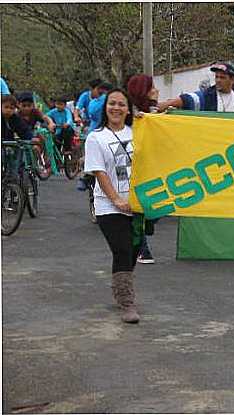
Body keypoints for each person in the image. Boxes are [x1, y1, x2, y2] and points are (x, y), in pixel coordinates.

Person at [84, 88, 140, 324]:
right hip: (109, 206)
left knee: (133, 252)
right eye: (112, 104)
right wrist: (116, 199)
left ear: (128, 109)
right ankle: (127, 301)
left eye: (121, 104)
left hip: (138, 204)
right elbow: (99, 172)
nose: (116, 108)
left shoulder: (138, 132)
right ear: (105, 108)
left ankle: (120, 286)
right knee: (123, 249)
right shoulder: (96, 137)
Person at [127, 74, 160, 264]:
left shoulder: (151, 110)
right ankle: (142, 248)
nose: (156, 90)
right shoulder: (131, 114)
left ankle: (140, 242)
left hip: (151, 164)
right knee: (139, 208)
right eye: (152, 87)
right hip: (134, 166)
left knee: (155, 208)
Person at [157, 63, 234, 113]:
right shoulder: (208, 96)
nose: (218, 80)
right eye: (216, 77)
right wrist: (167, 104)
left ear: (232, 80)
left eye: (222, 77)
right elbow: (188, 99)